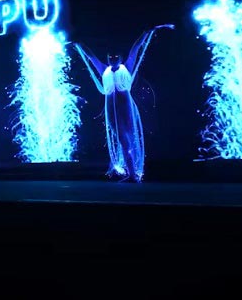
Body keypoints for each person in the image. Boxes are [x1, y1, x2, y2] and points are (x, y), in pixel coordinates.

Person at [74, 25, 173, 182]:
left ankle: (133, 173)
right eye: (110, 57)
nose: (112, 59)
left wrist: (146, 32)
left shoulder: (126, 67)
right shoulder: (104, 70)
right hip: (110, 108)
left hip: (125, 106)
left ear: (120, 58)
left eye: (115, 57)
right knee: (121, 139)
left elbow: (135, 48)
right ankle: (129, 171)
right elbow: (92, 57)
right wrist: (79, 44)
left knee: (127, 137)